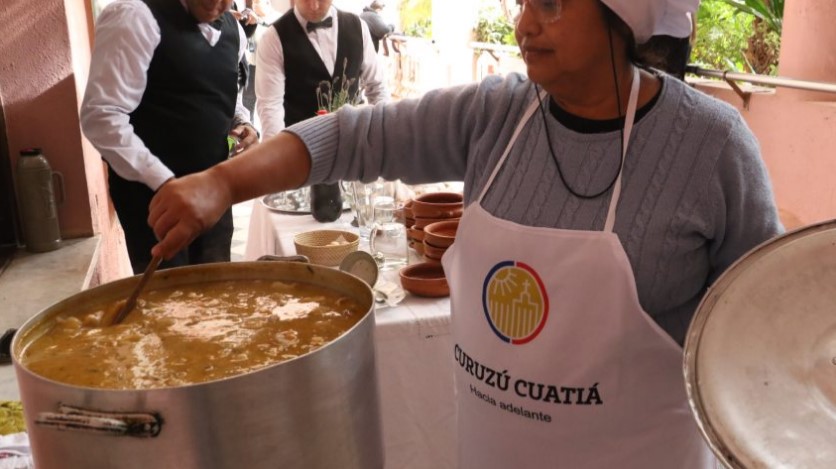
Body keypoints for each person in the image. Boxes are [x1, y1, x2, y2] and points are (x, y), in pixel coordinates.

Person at [149, 0, 783, 466]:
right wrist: (222, 183)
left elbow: (769, 332)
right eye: (524, 3)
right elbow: (352, 136)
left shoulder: (710, 148)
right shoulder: (495, 115)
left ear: (623, 17)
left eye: (551, 5)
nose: (524, 25)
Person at [80, 0, 259, 274]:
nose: (219, 4)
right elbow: (101, 116)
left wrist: (242, 121)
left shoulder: (234, 30)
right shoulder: (134, 17)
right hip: (151, 200)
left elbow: (223, 89)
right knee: (167, 293)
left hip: (212, 192)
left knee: (218, 286)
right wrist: (164, 181)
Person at [254, 0, 389, 221]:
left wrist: (381, 141)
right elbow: (270, 107)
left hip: (351, 166)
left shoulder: (358, 27)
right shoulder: (274, 37)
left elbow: (377, 88)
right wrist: (276, 164)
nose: (315, 6)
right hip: (301, 164)